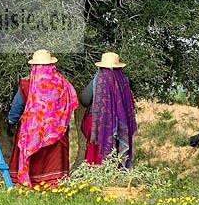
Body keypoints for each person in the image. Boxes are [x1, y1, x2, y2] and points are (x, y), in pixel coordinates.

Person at [7, 50, 78, 187]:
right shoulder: (62, 84)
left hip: (32, 132)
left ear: (34, 66)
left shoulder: (27, 84)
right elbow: (71, 103)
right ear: (52, 65)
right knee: (54, 159)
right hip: (57, 131)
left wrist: (11, 121)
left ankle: (29, 181)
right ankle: (54, 182)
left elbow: (17, 106)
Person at [80, 52, 137, 167]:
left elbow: (85, 100)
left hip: (99, 123)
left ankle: (96, 174)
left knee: (96, 152)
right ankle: (117, 175)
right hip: (121, 125)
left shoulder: (98, 79)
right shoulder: (124, 80)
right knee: (117, 152)